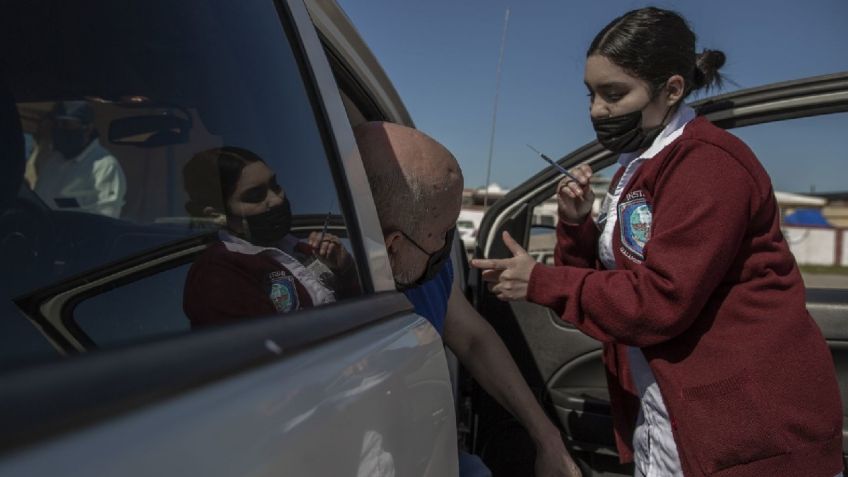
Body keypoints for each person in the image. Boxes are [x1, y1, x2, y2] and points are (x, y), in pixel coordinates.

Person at [471, 7, 844, 477]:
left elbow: (661, 300)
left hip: (748, 433)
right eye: (591, 95)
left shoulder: (707, 164)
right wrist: (576, 224)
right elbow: (610, 287)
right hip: (676, 412)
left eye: (613, 94)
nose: (596, 111)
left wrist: (543, 281)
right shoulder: (640, 163)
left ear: (671, 89)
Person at [354, 121, 582, 477]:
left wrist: (547, 439)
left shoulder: (421, 271)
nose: (449, 248)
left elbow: (474, 340)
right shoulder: (313, 292)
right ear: (392, 247)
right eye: (444, 233)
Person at [182, 146, 356, 327]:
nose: (276, 199)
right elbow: (263, 346)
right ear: (217, 216)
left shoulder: (301, 249)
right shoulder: (217, 274)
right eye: (255, 196)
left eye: (275, 185)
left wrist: (344, 268)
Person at [31, 101, 126, 218]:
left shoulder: (105, 167)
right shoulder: (52, 162)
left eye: (66, 124)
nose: (60, 129)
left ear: (87, 129)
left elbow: (105, 220)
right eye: (56, 124)